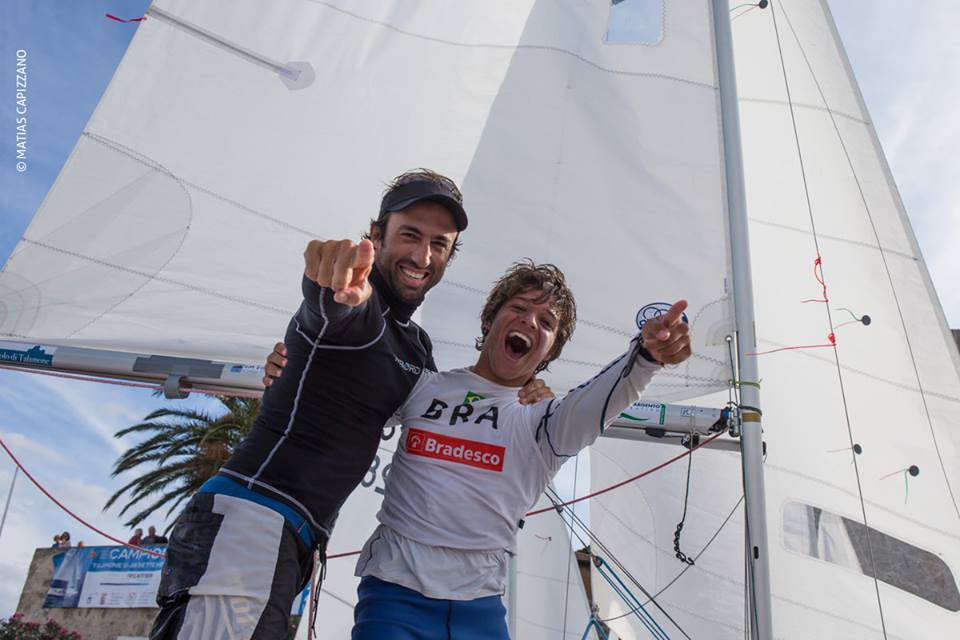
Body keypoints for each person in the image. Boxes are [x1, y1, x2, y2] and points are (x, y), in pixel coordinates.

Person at [150, 170, 550, 640]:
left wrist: (528, 392)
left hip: (288, 538)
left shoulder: (416, 346)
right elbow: (333, 306)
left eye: (438, 244)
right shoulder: (359, 306)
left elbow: (450, 405)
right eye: (410, 235)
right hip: (251, 518)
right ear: (376, 236)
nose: (422, 256)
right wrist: (330, 282)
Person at [348, 261, 691, 639]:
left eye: (546, 322)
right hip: (394, 594)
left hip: (479, 609)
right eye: (519, 308)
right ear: (490, 319)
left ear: (549, 352)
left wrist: (645, 357)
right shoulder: (423, 387)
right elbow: (343, 401)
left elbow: (603, 396)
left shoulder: (546, 420)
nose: (530, 321)